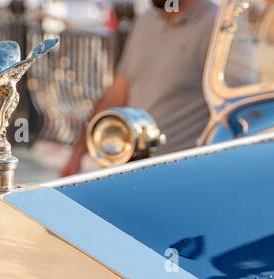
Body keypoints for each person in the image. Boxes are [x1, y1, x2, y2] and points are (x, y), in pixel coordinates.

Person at [61, 0, 222, 177]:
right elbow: (117, 93)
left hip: (180, 176)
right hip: (128, 171)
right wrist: (78, 152)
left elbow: (239, 112)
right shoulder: (147, 20)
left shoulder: (220, 28)